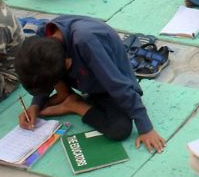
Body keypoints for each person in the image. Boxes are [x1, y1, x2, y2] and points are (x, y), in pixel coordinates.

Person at [14, 15, 166, 151]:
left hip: (106, 84)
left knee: (119, 129)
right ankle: (65, 95)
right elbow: (38, 68)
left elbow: (118, 86)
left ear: (68, 65)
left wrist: (145, 128)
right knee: (42, 78)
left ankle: (73, 104)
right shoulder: (44, 37)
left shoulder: (87, 42)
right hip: (81, 78)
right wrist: (35, 105)